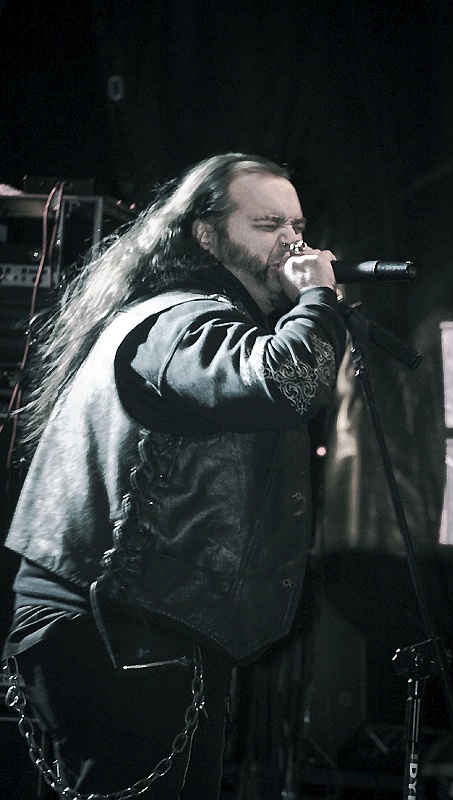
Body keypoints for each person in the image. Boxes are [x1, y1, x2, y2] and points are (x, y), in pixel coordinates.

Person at [2, 153, 346, 799]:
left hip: (131, 624)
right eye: (268, 223)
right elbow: (287, 379)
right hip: (117, 628)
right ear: (206, 235)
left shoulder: (180, 317)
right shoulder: (184, 322)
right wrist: (319, 297)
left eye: (297, 225)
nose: (292, 243)